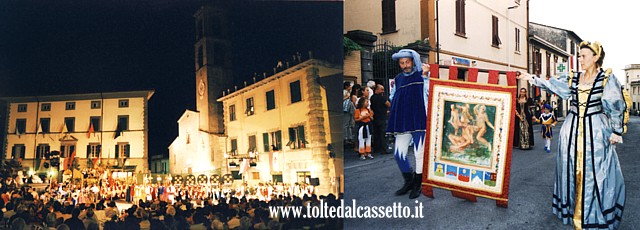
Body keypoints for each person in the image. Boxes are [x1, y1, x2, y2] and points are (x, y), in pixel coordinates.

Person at [518, 40, 625, 229]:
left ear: (596, 57)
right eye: (580, 56)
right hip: (572, 130)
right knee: (570, 168)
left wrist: (616, 130)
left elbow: (615, 104)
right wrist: (533, 78)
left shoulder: (606, 79)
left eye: (584, 56)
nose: (581, 60)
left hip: (596, 131)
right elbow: (553, 86)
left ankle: (594, 214)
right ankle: (575, 210)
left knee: (596, 171)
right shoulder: (574, 78)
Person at [387, 49, 429, 199]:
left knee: (419, 153)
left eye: (407, 62)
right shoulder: (398, 79)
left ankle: (418, 184)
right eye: (402, 63)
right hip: (403, 121)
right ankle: (409, 180)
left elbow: (429, 92)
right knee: (398, 154)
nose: (405, 65)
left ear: (413, 61)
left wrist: (425, 76)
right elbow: (393, 96)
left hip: (419, 120)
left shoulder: (422, 74)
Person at [370, 84, 391, 155]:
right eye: (381, 89)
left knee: (376, 133)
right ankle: (384, 149)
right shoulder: (382, 98)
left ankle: (377, 148)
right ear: (377, 90)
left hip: (375, 117)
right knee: (383, 134)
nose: (383, 91)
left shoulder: (372, 97)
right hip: (382, 117)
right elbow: (388, 104)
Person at [343, 82, 356, 146]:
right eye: (350, 86)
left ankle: (349, 137)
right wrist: (347, 96)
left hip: (349, 108)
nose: (351, 87)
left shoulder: (348, 92)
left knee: (349, 123)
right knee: (346, 124)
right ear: (346, 86)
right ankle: (346, 137)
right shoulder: (344, 92)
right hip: (346, 109)